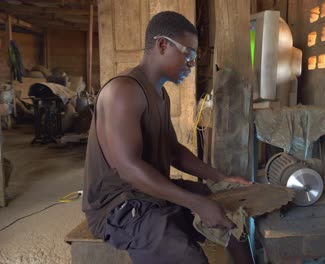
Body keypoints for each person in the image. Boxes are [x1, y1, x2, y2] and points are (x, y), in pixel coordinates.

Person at [82, 11, 254, 264]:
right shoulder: (123, 91)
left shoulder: (160, 95)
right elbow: (129, 169)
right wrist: (194, 202)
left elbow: (173, 151)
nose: (192, 64)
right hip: (118, 207)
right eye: (189, 55)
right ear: (162, 45)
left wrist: (220, 178)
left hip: (148, 194)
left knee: (229, 211)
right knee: (187, 257)